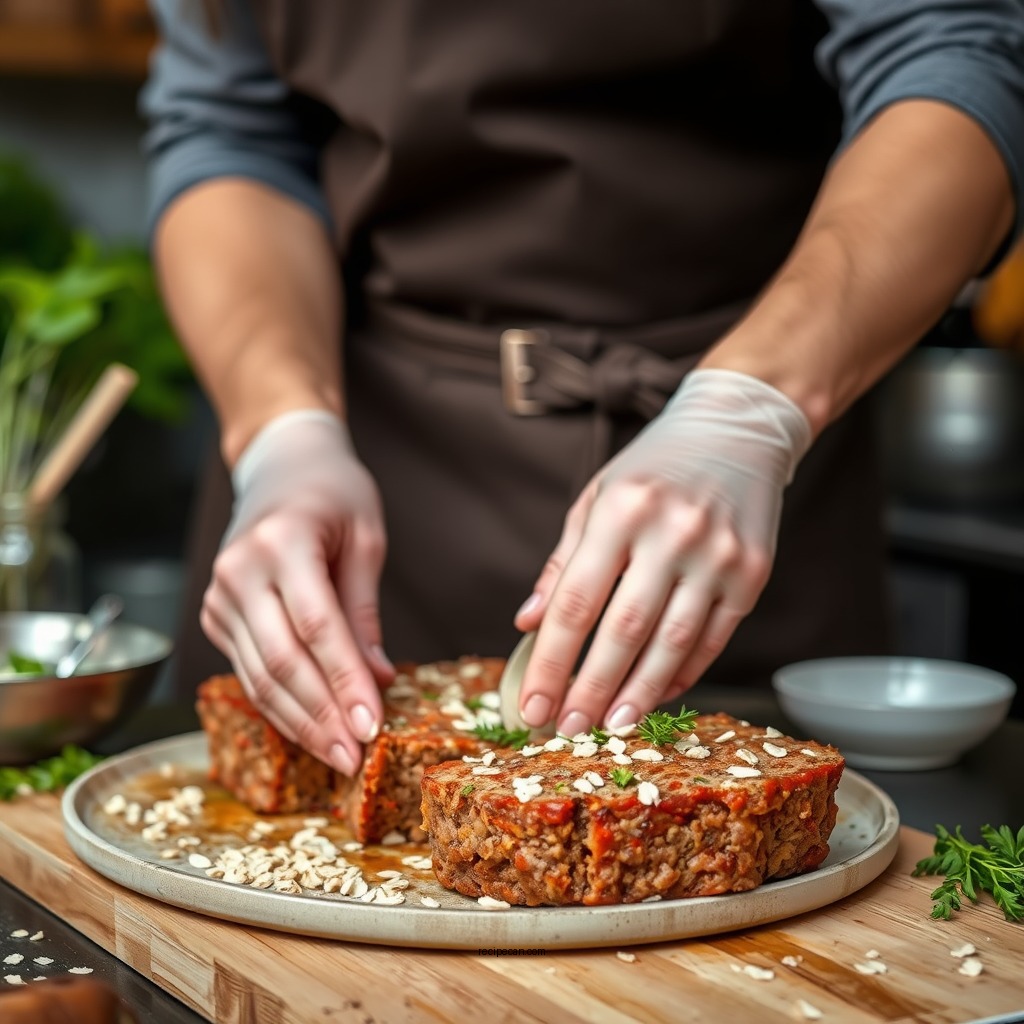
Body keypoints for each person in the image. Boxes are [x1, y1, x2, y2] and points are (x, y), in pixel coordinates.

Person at [142, 0, 1024, 777]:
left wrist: (747, 410)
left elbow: (956, 59)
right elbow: (230, 133)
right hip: (371, 468)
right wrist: (282, 429)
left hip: (746, 451)